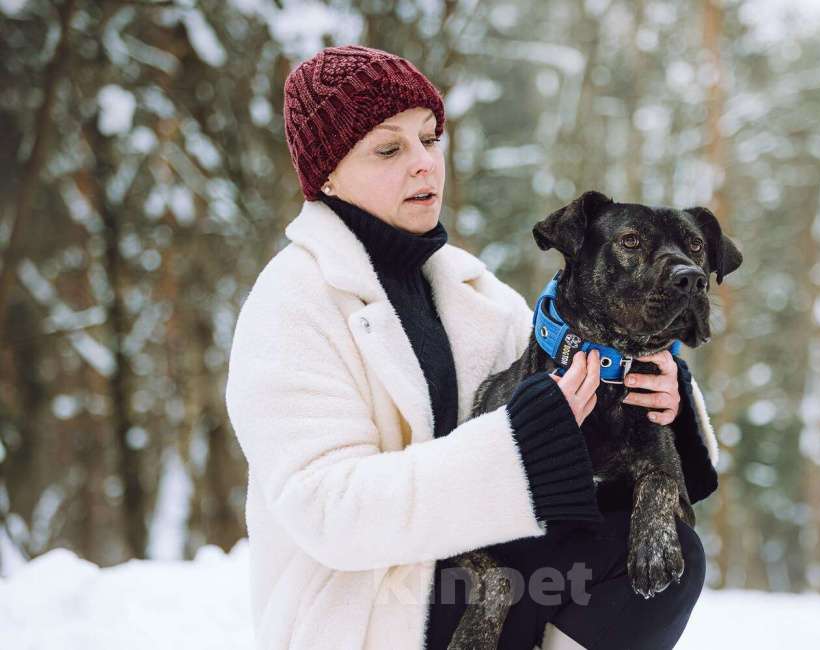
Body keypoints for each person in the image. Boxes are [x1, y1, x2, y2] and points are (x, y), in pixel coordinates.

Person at [225, 45, 720, 650]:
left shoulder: (476, 293)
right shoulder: (293, 300)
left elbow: (588, 438)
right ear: (326, 174)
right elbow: (325, 509)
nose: (423, 165)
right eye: (389, 148)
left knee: (668, 554)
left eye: (431, 140)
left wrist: (667, 394)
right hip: (372, 606)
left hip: (491, 579)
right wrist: (517, 444)